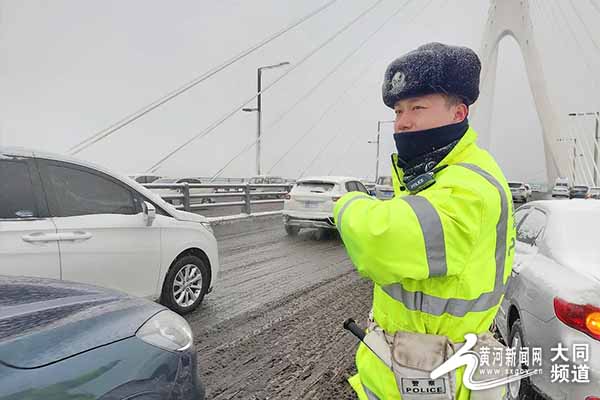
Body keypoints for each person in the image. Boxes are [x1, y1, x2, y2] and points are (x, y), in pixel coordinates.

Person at [334, 42, 516, 399]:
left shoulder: (468, 185)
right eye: (398, 110)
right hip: (405, 372)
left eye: (417, 107)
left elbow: (378, 241)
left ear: (458, 113)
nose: (403, 122)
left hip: (440, 380)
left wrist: (346, 203)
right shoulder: (433, 174)